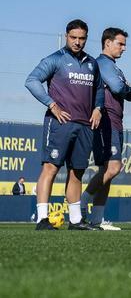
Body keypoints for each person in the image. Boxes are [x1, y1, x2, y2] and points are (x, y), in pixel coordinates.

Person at [25, 19, 104, 230]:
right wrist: (52, 105)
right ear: (66, 36)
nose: (77, 42)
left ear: (86, 38)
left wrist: (98, 108)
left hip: (85, 126)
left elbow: (99, 89)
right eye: (73, 37)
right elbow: (31, 80)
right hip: (60, 124)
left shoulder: (92, 63)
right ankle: (42, 219)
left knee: (77, 172)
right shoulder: (55, 59)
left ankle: (75, 220)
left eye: (82, 38)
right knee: (50, 168)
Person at [84, 27, 131, 231]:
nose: (124, 48)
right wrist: (130, 90)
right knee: (114, 168)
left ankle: (97, 220)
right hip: (106, 121)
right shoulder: (103, 64)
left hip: (116, 121)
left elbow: (123, 90)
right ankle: (80, 204)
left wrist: (128, 90)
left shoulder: (113, 67)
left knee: (107, 171)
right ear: (107, 43)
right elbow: (118, 88)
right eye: (120, 43)